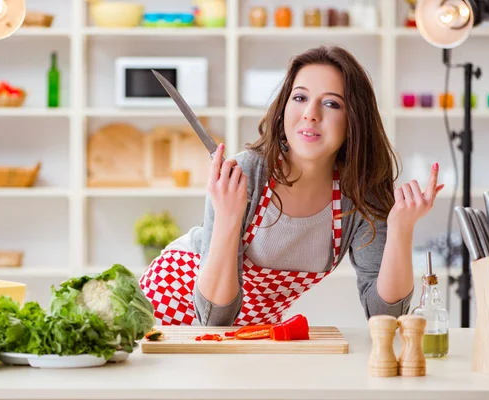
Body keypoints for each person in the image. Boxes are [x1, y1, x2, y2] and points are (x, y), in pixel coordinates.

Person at [139, 45, 444, 326]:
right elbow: (214, 316)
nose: (311, 113)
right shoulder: (248, 173)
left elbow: (385, 315)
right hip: (171, 301)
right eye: (300, 98)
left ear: (354, 119)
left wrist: (402, 229)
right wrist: (229, 217)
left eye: (331, 103)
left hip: (246, 329)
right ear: (284, 107)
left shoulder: (361, 195)